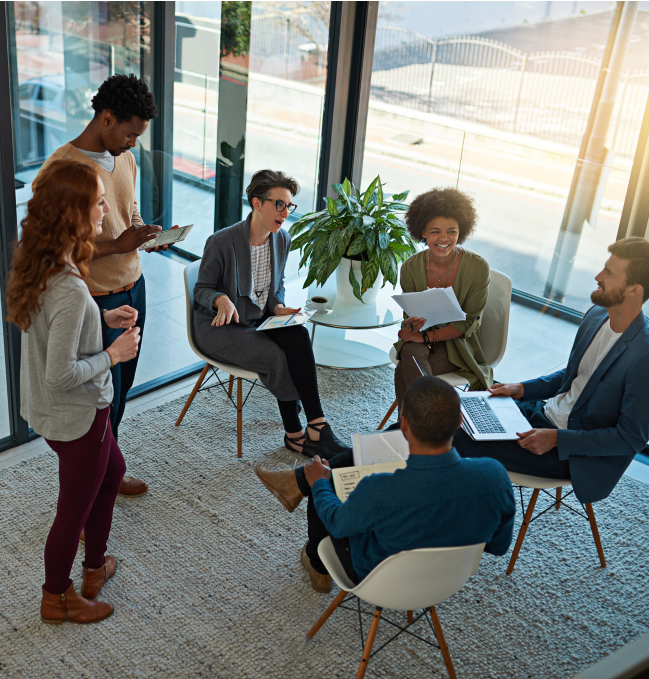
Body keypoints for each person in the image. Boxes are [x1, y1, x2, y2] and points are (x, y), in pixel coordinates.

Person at [7, 159, 141, 624]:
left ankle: (95, 566)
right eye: (99, 202)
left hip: (62, 413)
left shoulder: (43, 258)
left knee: (113, 473)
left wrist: (101, 320)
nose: (106, 209)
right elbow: (60, 374)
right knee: (73, 512)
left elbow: (52, 332)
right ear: (75, 212)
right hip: (76, 414)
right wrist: (115, 353)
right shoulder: (67, 287)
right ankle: (56, 596)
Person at [33, 73, 169, 497]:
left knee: (120, 390)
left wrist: (142, 231)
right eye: (130, 134)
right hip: (92, 300)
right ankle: (83, 491)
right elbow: (54, 250)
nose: (134, 144)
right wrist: (115, 246)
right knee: (89, 408)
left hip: (134, 290)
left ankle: (110, 467)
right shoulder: (61, 169)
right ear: (106, 119)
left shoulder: (123, 157)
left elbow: (128, 211)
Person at [255, 377, 516, 590]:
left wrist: (321, 484)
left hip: (378, 579)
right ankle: (296, 483)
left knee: (325, 484)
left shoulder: (378, 489)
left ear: (403, 427)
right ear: (460, 422)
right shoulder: (495, 476)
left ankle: (318, 566)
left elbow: (336, 522)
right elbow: (498, 545)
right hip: (448, 580)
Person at [453, 237, 649, 505]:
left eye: (610, 273)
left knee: (446, 437)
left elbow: (629, 438)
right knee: (441, 411)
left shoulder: (643, 356)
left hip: (571, 454)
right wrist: (522, 389)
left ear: (633, 290)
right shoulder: (596, 315)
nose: (597, 276)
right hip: (542, 415)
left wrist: (557, 439)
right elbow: (576, 374)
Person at [193, 169, 347, 457]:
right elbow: (201, 290)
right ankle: (294, 433)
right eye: (279, 204)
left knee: (298, 334)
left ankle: (317, 423)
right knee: (276, 356)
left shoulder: (281, 239)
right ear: (256, 203)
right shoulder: (222, 242)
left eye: (289, 206)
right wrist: (221, 299)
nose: (285, 212)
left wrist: (278, 307)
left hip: (258, 317)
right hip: (221, 326)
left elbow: (276, 287)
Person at [393, 187, 492, 418]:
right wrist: (412, 327)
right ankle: (428, 424)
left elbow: (468, 324)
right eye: (435, 231)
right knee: (411, 354)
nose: (444, 238)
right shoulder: (410, 267)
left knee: (406, 367)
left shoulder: (478, 267)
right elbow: (411, 315)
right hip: (422, 337)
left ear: (462, 231)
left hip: (458, 345)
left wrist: (426, 337)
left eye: (452, 231)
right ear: (423, 232)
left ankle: (408, 425)